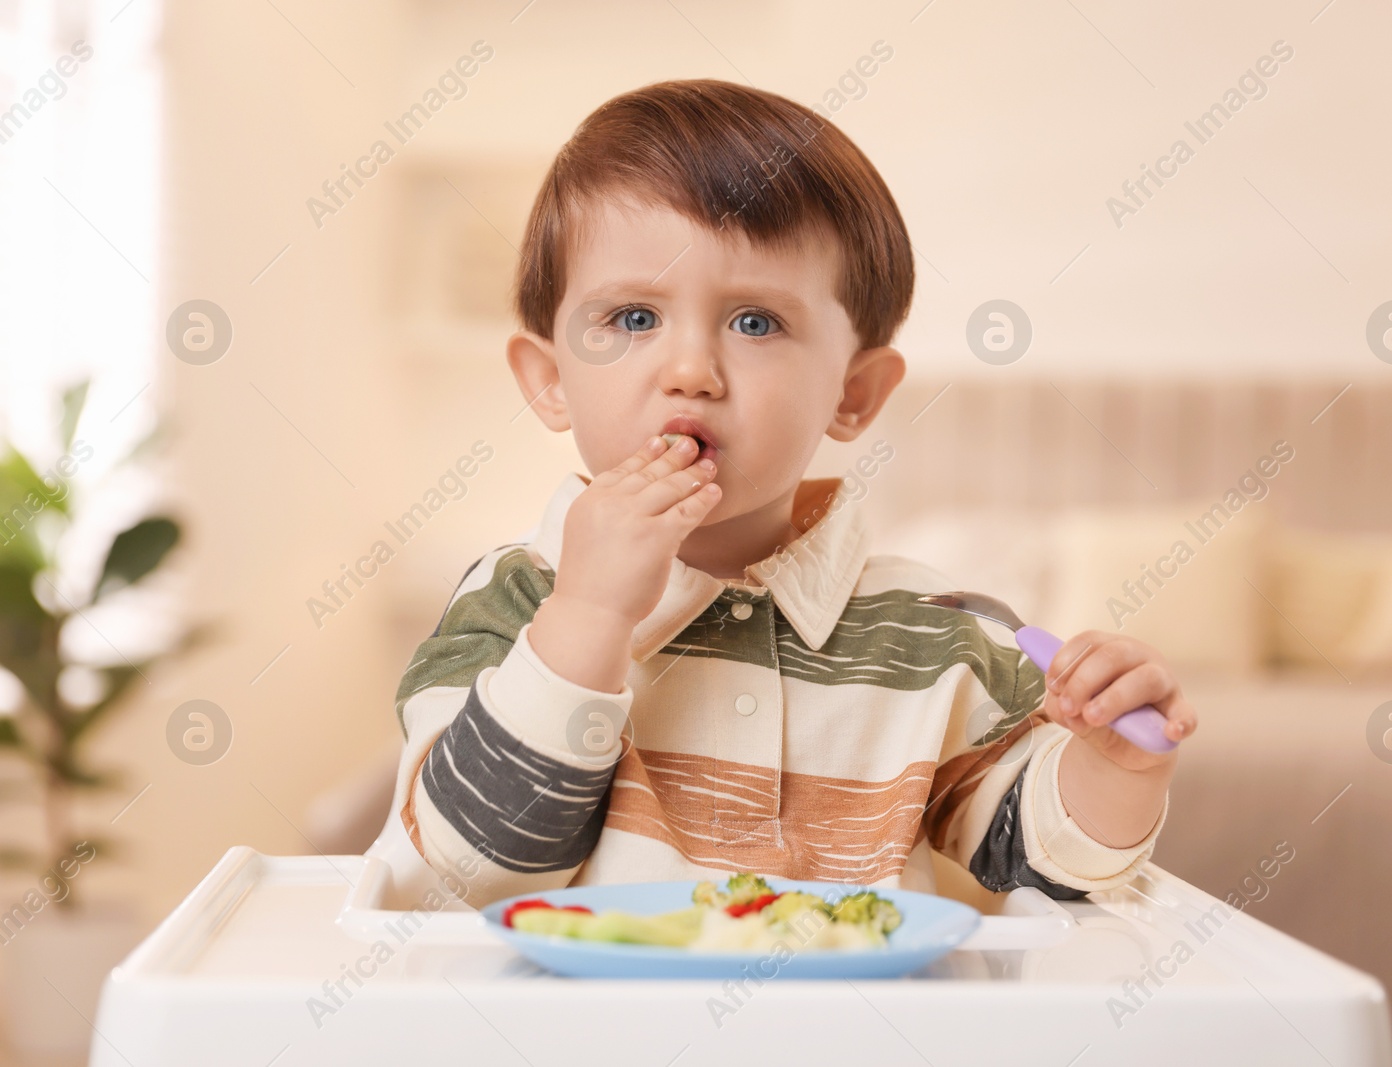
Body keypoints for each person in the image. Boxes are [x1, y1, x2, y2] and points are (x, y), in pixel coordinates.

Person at [391, 79, 1198, 909]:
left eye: (754, 322)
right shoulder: (516, 600)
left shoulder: (937, 633)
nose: (690, 372)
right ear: (551, 380)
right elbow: (463, 872)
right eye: (634, 319)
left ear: (853, 393)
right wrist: (589, 615)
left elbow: (1040, 870)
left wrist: (1114, 765)